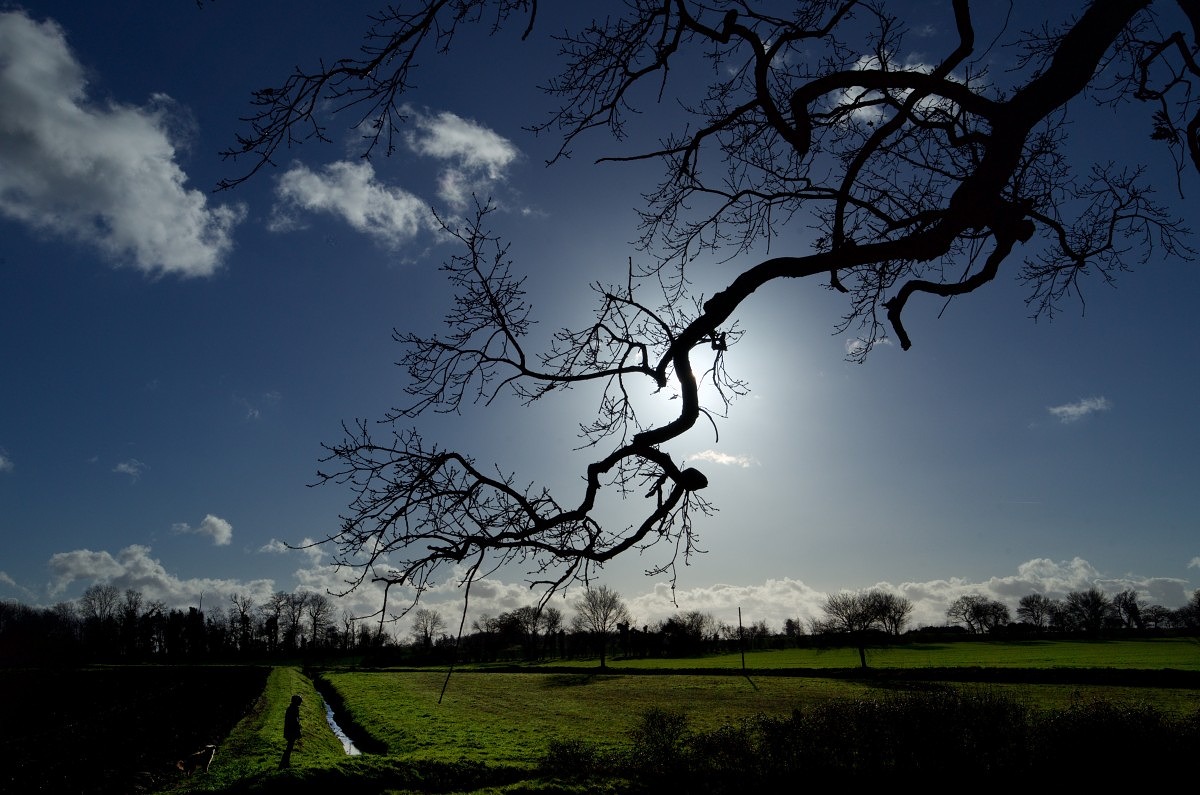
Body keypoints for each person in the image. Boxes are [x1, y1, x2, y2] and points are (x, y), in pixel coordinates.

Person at [279, 695, 302, 768]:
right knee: (290, 746)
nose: (300, 703)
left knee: (290, 745)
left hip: (290, 729)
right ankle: (285, 762)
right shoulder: (293, 709)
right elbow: (294, 721)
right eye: (299, 702)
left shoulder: (292, 708)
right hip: (291, 730)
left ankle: (286, 761)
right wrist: (297, 729)